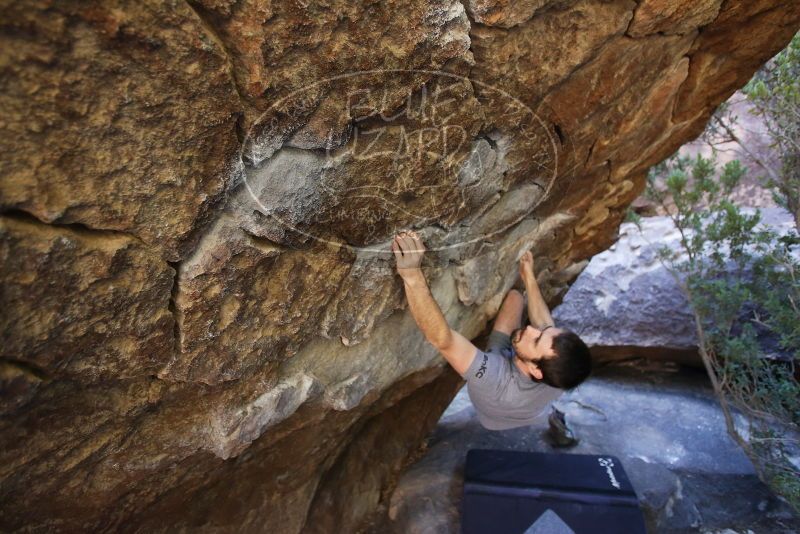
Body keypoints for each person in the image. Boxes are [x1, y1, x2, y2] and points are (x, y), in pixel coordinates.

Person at [392, 230, 591, 434]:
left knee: (509, 315)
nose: (531, 328)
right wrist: (529, 277)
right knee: (515, 297)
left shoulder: (493, 378)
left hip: (494, 415)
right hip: (531, 405)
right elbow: (545, 324)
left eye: (536, 340)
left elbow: (443, 340)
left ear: (536, 371)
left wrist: (412, 275)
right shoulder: (562, 373)